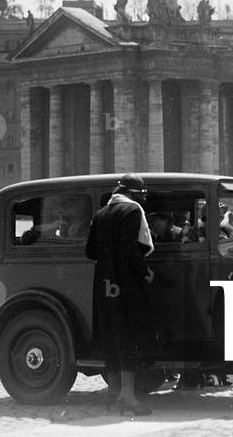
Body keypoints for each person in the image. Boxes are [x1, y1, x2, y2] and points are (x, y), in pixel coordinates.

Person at [85, 174, 155, 416]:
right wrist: (145, 271)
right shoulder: (132, 212)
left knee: (110, 336)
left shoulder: (100, 214)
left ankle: (112, 393)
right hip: (126, 283)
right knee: (129, 336)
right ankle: (127, 397)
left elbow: (90, 250)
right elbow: (131, 250)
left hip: (103, 283)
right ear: (134, 194)